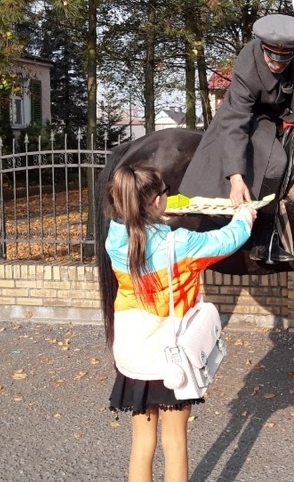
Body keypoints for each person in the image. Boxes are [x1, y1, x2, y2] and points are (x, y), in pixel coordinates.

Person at [104, 164, 256, 482]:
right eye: (165, 193)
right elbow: (228, 240)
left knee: (141, 444)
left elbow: (140, 233)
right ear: (156, 202)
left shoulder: (115, 243)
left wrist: (158, 221)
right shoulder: (182, 244)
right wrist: (244, 216)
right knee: (175, 442)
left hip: (133, 356)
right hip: (171, 358)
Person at [179, 13, 294, 263]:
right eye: (272, 57)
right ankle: (264, 241)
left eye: (284, 58)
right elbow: (236, 122)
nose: (278, 64)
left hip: (288, 114)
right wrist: (236, 178)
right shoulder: (248, 64)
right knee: (277, 162)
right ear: (263, 47)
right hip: (253, 116)